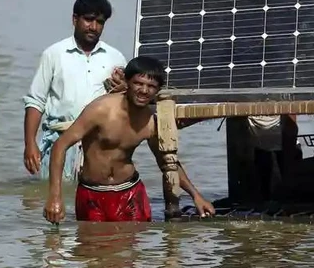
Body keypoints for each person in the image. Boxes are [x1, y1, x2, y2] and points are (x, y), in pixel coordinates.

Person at [43, 56, 216, 223]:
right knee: (91, 242)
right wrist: (54, 196)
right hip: (92, 193)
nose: (144, 90)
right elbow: (60, 145)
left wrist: (196, 196)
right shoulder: (100, 110)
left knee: (133, 242)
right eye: (138, 83)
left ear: (158, 90)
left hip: (130, 192)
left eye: (151, 86)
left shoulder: (150, 122)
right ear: (127, 83)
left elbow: (167, 162)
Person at [23, 0, 127, 182]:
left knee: (98, 196)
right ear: (75, 19)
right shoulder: (54, 54)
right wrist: (30, 144)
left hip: (100, 145)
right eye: (88, 19)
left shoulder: (115, 58)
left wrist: (123, 90)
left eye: (100, 22)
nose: (93, 27)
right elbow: (35, 102)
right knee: (53, 195)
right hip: (60, 141)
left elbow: (127, 105)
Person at [247, 115, 301, 200]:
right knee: (267, 181)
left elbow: (291, 126)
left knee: (286, 179)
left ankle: (277, 200)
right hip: (266, 146)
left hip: (276, 145)